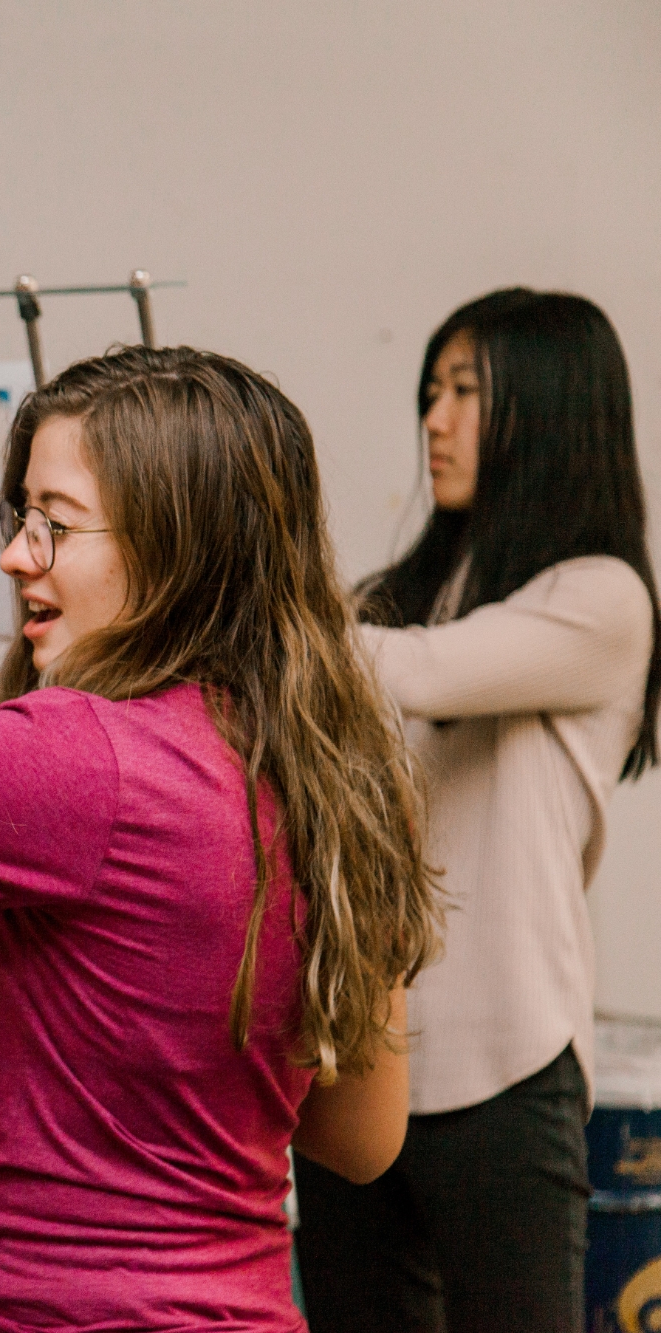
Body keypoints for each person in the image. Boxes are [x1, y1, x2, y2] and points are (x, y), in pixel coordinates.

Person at [0, 347, 441, 1332]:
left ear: (175, 547)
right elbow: (360, 1137)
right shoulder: (340, 772)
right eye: (18, 518)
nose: (14, 554)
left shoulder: (70, 759)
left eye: (54, 524)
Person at [293, 290, 660, 1332]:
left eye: (464, 391)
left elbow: (417, 671)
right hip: (358, 1052)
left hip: (506, 1061)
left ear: (546, 412)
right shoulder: (390, 597)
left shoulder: (599, 598)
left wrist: (250, 598)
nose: (433, 419)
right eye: (430, 390)